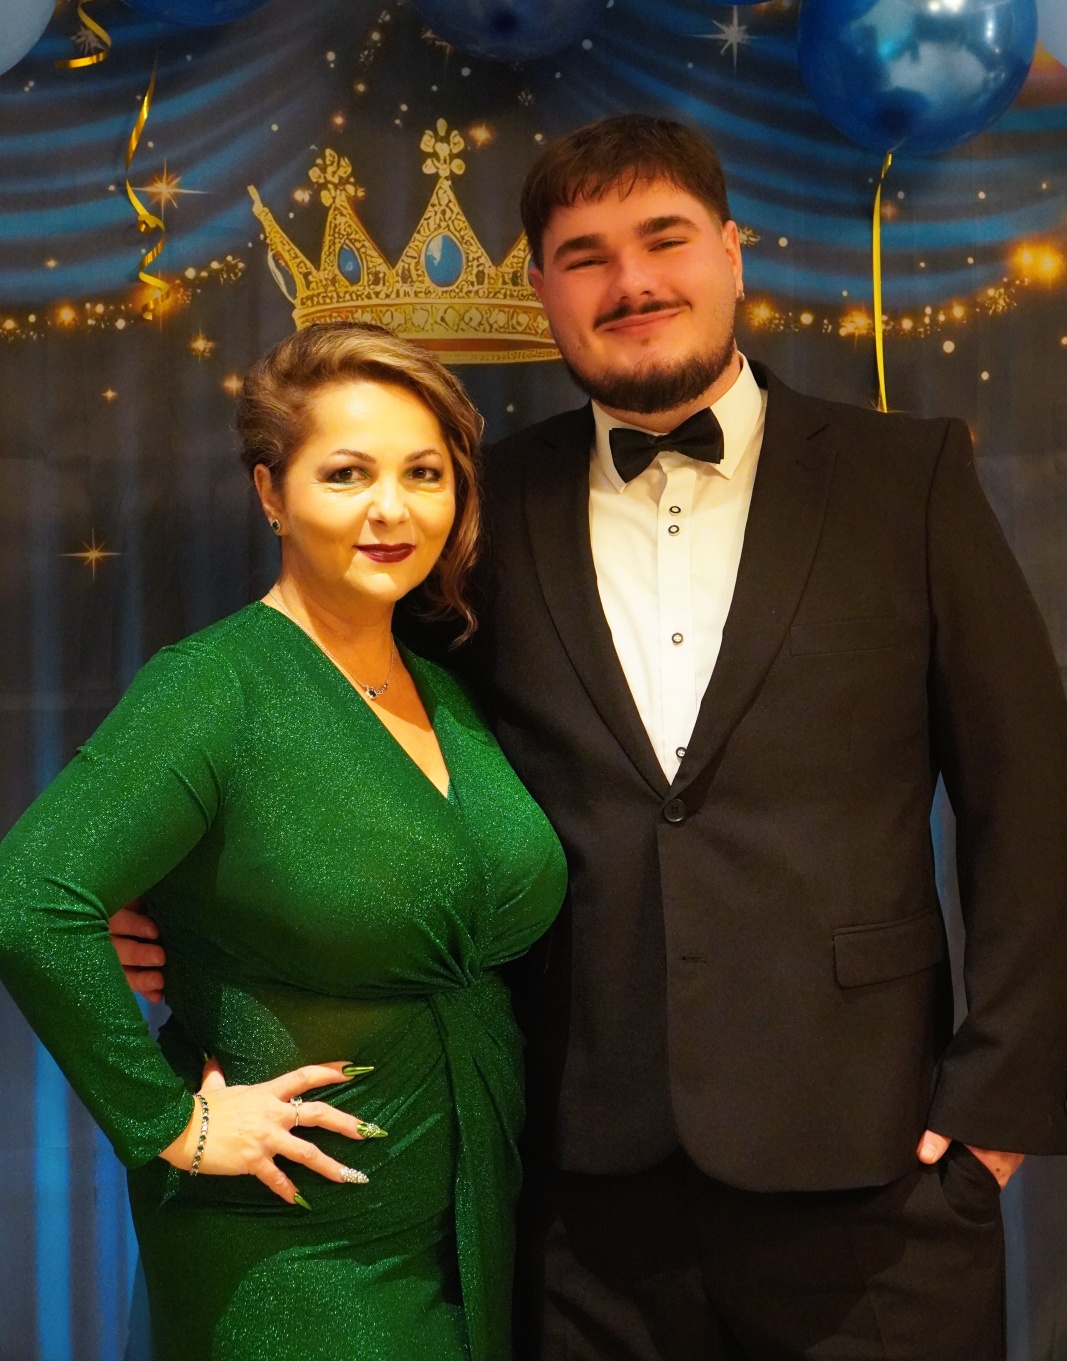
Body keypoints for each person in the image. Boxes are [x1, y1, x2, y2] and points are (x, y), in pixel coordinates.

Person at [113, 117, 1067, 1359]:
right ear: (542, 289)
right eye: (585, 256)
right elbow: (360, 748)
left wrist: (998, 1101)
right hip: (575, 1183)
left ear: (731, 250)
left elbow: (1027, 795)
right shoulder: (473, 507)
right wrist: (185, 909)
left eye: (663, 238)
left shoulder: (908, 477)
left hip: (875, 1164)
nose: (631, 282)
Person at [0, 322, 567, 1361]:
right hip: (294, 1247)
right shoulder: (215, 685)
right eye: (347, 473)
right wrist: (172, 1124)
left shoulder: (441, 687)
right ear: (271, 491)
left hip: (467, 1218)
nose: (392, 507)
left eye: (423, 472)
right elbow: (30, 895)